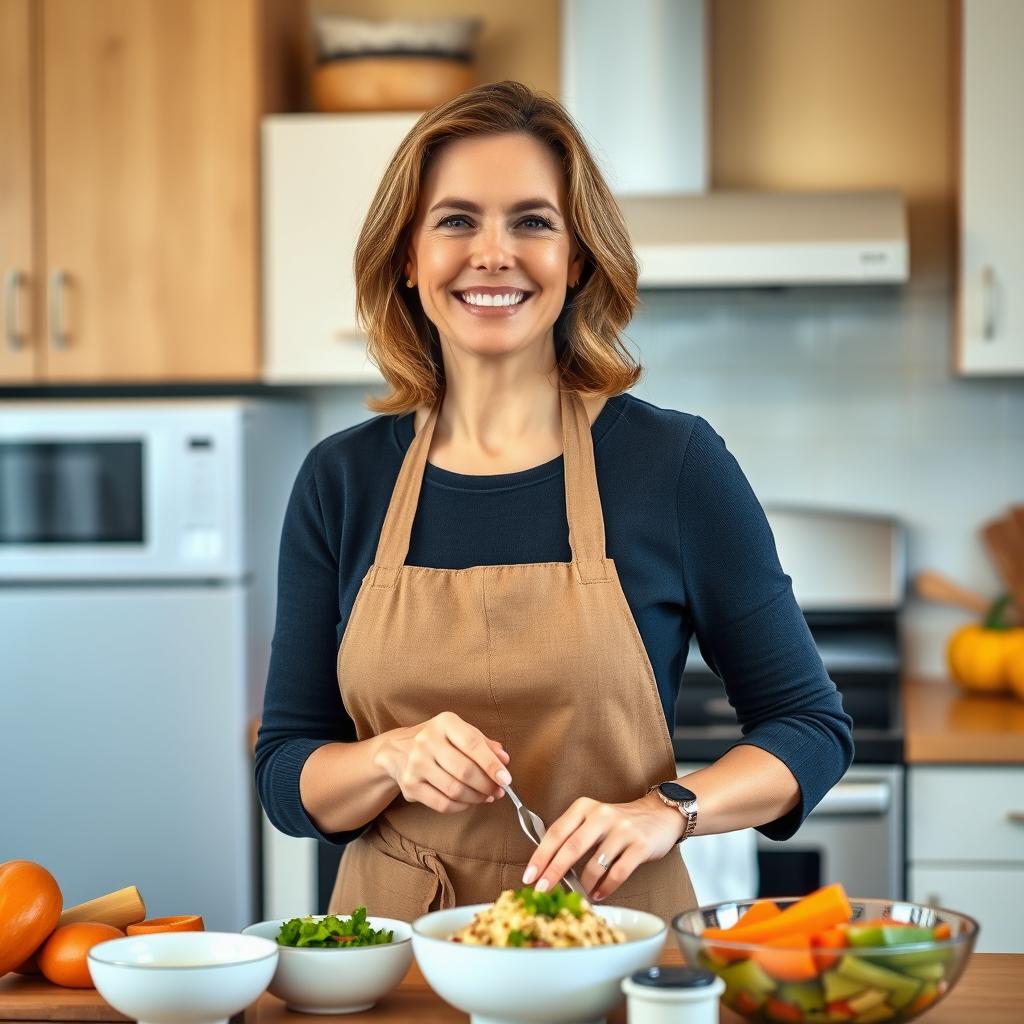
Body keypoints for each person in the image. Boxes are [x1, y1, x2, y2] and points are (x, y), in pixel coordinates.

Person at [254, 80, 853, 920]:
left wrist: (669, 812)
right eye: (456, 220)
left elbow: (810, 727)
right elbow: (287, 771)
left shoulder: (673, 463)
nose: (493, 253)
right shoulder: (340, 481)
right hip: (398, 961)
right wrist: (388, 758)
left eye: (532, 222)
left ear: (576, 259)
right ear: (407, 257)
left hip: (614, 942)